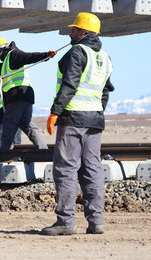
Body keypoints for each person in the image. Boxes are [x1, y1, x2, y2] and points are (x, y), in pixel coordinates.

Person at [41, 12, 114, 236]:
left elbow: (69, 85)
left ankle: (65, 221)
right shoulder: (104, 57)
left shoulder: (77, 52)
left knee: (66, 170)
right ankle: (96, 222)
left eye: (73, 29)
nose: (70, 32)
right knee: (92, 170)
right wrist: (96, 111)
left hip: (72, 119)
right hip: (94, 119)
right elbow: (105, 91)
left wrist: (55, 112)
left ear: (83, 32)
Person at [0, 37, 55, 150]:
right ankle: (43, 149)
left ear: (2, 50)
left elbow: (29, 57)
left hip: (16, 97)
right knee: (26, 124)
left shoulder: (13, 55)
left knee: (8, 125)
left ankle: (5, 154)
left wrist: (45, 55)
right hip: (26, 96)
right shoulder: (5, 62)